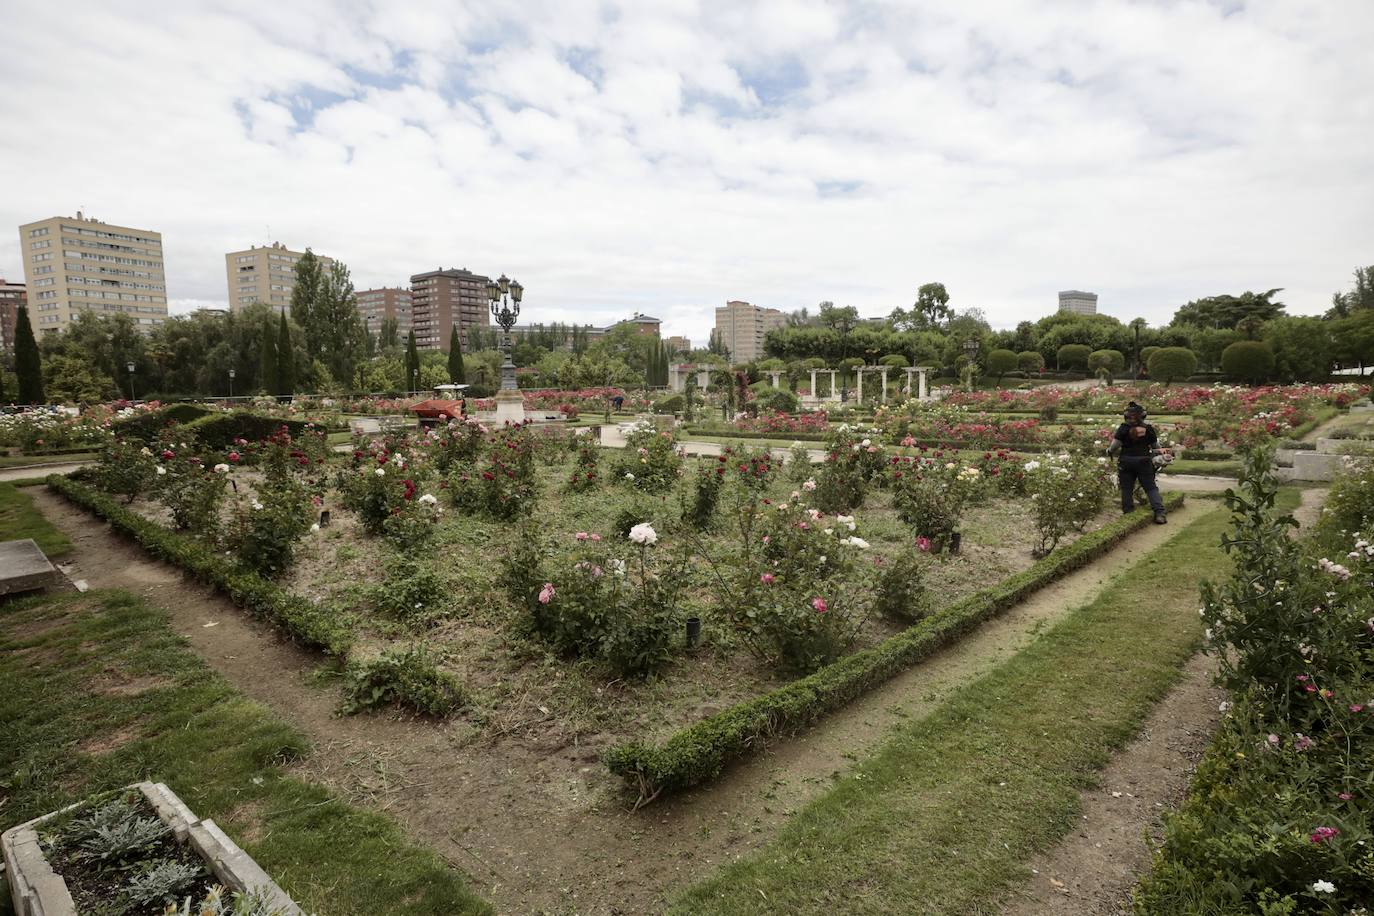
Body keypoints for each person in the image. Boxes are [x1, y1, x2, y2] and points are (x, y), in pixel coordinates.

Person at [1110, 401, 1168, 524]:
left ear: (1126, 416)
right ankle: (1159, 513)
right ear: (1143, 416)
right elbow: (1156, 446)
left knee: (1126, 489)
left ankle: (1128, 515)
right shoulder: (1148, 429)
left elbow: (1114, 447)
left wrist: (1109, 451)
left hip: (1126, 461)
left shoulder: (1123, 428)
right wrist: (1164, 455)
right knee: (1151, 488)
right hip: (1144, 461)